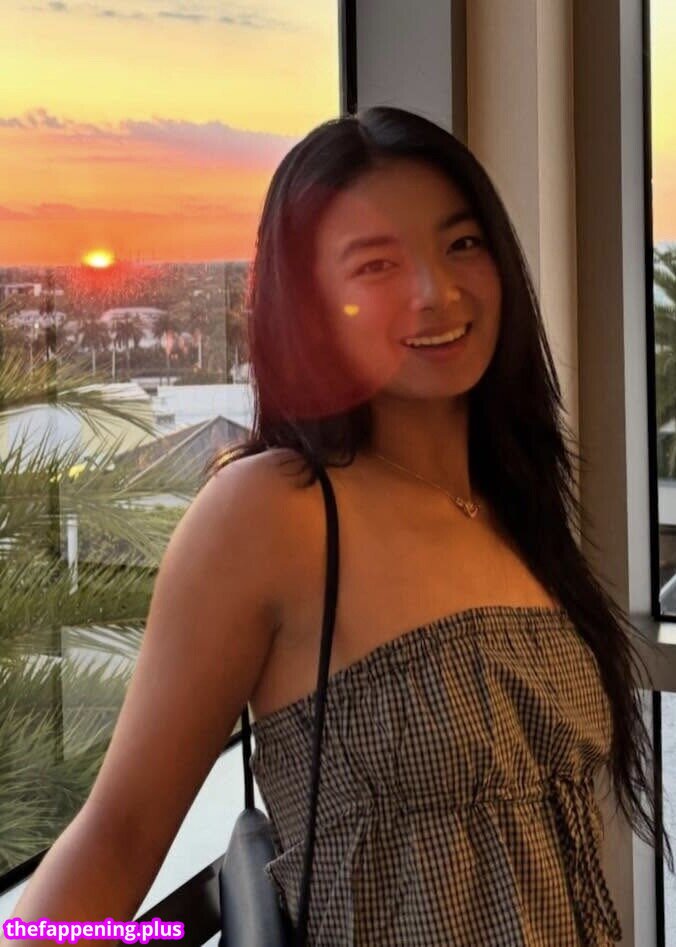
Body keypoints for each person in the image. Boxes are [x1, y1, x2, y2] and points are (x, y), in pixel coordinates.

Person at [2, 105, 671, 946]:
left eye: (463, 243)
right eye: (377, 264)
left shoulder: (512, 503)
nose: (436, 291)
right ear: (312, 303)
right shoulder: (274, 513)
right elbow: (119, 835)